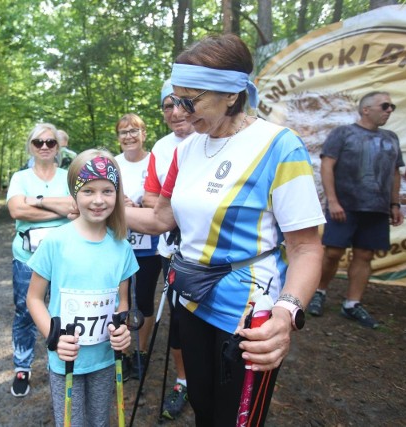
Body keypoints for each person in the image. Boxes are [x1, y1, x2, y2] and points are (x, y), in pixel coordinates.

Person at [126, 34, 325, 426]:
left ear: (231, 94)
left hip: (248, 312)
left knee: (236, 419)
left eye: (191, 99)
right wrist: (103, 207)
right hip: (192, 299)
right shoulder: (187, 149)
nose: (179, 112)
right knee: (203, 408)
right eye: (175, 98)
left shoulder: (280, 146)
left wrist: (287, 314)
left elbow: (306, 248)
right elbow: (162, 219)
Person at [26, 149, 137, 427]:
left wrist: (122, 331)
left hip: (104, 357)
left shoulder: (122, 247)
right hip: (67, 358)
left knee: (99, 421)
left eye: (107, 191)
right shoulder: (56, 242)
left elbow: (121, 303)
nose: (98, 200)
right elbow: (34, 298)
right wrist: (54, 337)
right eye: (88, 191)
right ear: (74, 194)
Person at [307, 92, 404, 328]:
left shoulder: (391, 138)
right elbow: (327, 166)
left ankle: (352, 303)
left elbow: (394, 173)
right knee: (332, 253)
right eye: (385, 106)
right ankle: (318, 292)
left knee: (365, 255)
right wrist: (333, 201)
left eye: (391, 106)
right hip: (345, 205)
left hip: (377, 209)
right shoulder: (343, 133)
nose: (389, 110)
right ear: (366, 109)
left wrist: (394, 204)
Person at [6, 123, 73, 397]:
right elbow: (15, 210)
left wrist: (36, 201)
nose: (44, 146)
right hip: (27, 258)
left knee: (62, 311)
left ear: (59, 147)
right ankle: (22, 367)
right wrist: (58, 207)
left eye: (50, 142)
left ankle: (59, 359)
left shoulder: (69, 175)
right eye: (38, 142)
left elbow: (76, 207)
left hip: (65, 257)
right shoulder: (19, 177)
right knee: (25, 312)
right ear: (30, 146)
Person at [141, 79, 195, 420]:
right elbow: (150, 196)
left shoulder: (213, 140)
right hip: (170, 247)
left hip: (211, 250)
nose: (175, 112)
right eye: (167, 105)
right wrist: (172, 217)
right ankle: (182, 381)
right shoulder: (161, 148)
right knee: (178, 316)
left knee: (201, 317)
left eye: (182, 103)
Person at [114, 113, 162, 380]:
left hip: (148, 243)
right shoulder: (113, 163)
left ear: (144, 134)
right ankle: (121, 349)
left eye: (134, 130)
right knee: (119, 298)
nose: (129, 136)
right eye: (124, 132)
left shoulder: (155, 160)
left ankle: (141, 352)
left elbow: (164, 200)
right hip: (118, 241)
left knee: (143, 298)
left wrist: (141, 206)